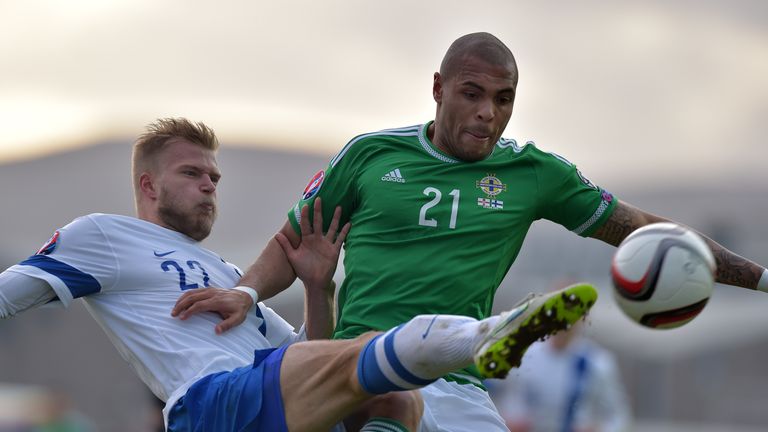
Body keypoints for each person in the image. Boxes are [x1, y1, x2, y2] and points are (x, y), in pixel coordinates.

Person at [174, 32, 768, 431]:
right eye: (473, 94)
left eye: (503, 99)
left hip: (459, 392)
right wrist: (248, 289)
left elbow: (645, 233)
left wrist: (760, 280)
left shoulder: (535, 174)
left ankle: (477, 339)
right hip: (358, 370)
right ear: (438, 89)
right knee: (386, 395)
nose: (489, 112)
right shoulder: (369, 156)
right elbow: (293, 243)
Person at [0, 118, 597, 432]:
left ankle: (479, 337)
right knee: (370, 358)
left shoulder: (231, 277)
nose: (209, 185)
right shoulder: (104, 236)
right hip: (214, 406)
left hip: (270, 401)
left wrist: (317, 286)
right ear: (147, 185)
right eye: (192, 174)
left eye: (214, 176)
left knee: (393, 401)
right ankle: (485, 335)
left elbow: (315, 357)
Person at [490, 320, 631, 432]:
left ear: (583, 318)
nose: (563, 321)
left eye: (571, 313)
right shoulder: (520, 354)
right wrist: (503, 421)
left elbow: (619, 417)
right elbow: (490, 393)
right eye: (557, 311)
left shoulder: (597, 363)